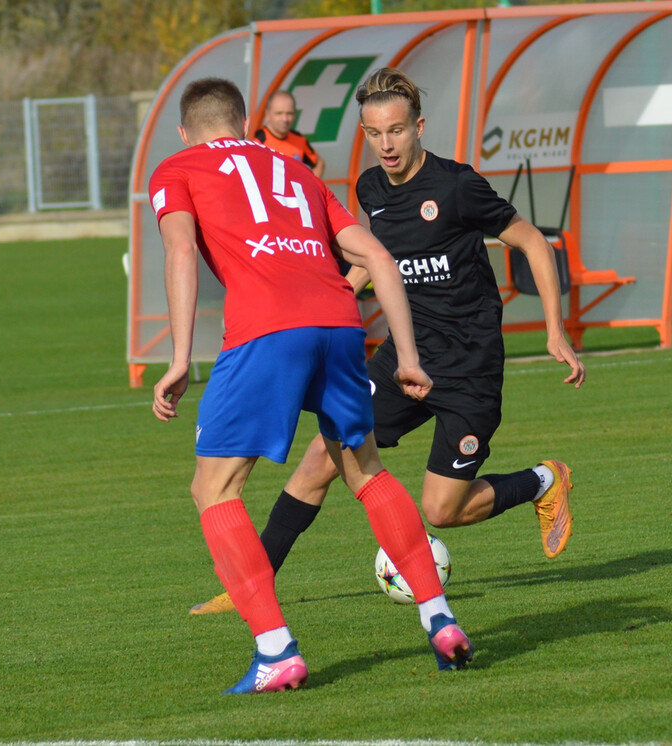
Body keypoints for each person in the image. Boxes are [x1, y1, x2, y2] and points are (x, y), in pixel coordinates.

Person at [191, 67, 586, 617]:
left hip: (469, 367)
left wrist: (554, 330)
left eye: (396, 131)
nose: (386, 145)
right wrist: (325, 298)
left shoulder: (457, 186)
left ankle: (545, 479)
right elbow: (375, 263)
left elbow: (533, 243)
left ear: (418, 126)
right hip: (402, 360)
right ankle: (246, 589)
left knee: (443, 511)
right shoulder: (370, 188)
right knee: (317, 464)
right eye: (374, 134)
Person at [148, 77, 472, 694]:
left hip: (265, 332)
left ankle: (276, 650)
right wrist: (406, 356)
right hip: (338, 325)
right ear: (245, 126)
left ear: (187, 130)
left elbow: (181, 251)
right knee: (366, 471)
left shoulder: (178, 166)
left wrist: (179, 356)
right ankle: (440, 619)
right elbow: (377, 258)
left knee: (214, 489)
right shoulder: (295, 169)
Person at [253, 90, 326, 178]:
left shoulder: (299, 140)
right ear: (267, 114)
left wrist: (308, 188)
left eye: (289, 113)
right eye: (279, 113)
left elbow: (319, 164)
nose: (285, 119)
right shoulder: (258, 143)